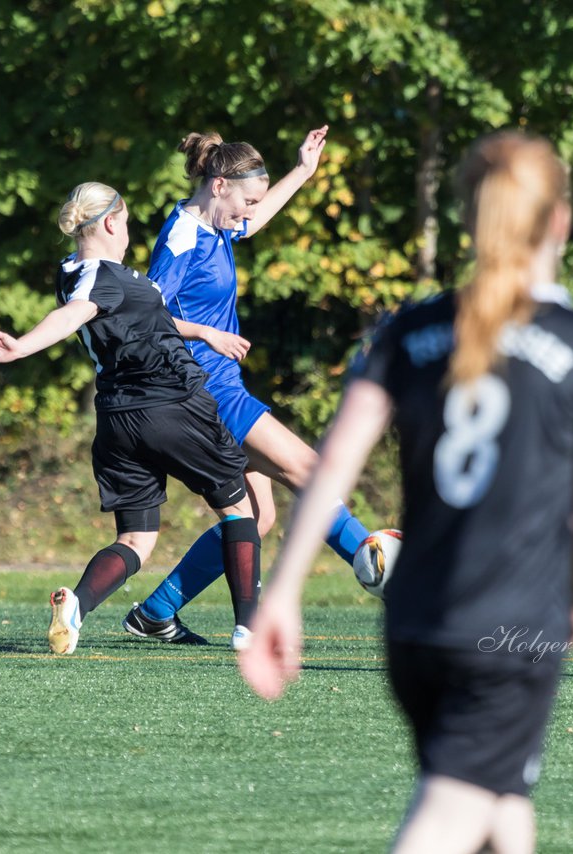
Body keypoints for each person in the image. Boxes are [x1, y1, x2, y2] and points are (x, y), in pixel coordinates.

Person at [238, 131, 573, 854]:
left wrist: (285, 592)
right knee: (450, 816)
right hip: (511, 628)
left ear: (468, 217)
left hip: (415, 628)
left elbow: (332, 467)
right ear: (561, 221)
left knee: (501, 808)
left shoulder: (408, 331)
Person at [0, 182, 260, 655]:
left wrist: (204, 332)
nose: (128, 233)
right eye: (126, 223)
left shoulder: (79, 270)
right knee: (239, 509)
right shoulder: (95, 278)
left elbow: (149, 320)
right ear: (111, 223)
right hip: (172, 406)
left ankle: (77, 607)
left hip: (117, 419)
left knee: (136, 538)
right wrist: (22, 346)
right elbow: (75, 312)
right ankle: (249, 630)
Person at [121, 125, 374, 651]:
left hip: (219, 385)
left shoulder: (214, 225)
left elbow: (252, 221)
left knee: (257, 519)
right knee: (309, 470)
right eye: (246, 202)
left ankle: (156, 612)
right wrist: (206, 332)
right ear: (218, 185)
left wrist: (303, 171)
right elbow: (148, 314)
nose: (249, 214)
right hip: (206, 390)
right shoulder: (182, 236)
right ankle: (380, 567)